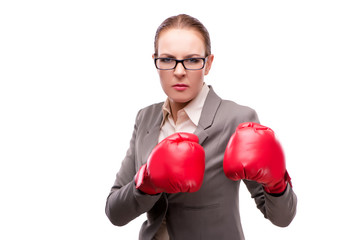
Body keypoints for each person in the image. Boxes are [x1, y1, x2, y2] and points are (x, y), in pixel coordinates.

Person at [105, 14, 297, 240]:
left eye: (192, 60)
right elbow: (115, 212)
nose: (179, 71)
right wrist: (146, 182)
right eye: (167, 59)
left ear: (208, 64)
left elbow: (282, 218)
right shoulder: (145, 117)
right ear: (155, 62)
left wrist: (276, 183)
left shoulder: (237, 119)